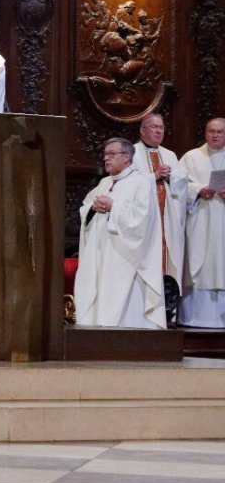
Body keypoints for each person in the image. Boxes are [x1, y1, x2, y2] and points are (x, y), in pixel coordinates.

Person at [74, 137, 164, 329]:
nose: (106, 158)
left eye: (112, 154)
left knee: (123, 300)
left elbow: (142, 219)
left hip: (125, 255)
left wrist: (113, 207)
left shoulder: (141, 183)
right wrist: (93, 208)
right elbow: (86, 208)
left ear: (127, 157)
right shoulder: (105, 182)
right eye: (105, 154)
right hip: (101, 250)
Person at [131, 114, 189, 285]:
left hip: (168, 220)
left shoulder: (169, 155)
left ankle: (167, 302)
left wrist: (171, 177)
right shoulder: (132, 153)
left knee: (168, 260)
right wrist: (154, 176)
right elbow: (129, 183)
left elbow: (183, 181)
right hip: (145, 220)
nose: (158, 131)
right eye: (154, 127)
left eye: (161, 127)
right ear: (142, 131)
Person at [180, 118, 225, 328]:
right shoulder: (191, 157)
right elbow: (179, 184)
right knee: (201, 263)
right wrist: (198, 189)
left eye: (220, 132)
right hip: (200, 218)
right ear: (205, 133)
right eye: (211, 131)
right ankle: (194, 318)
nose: (215, 135)